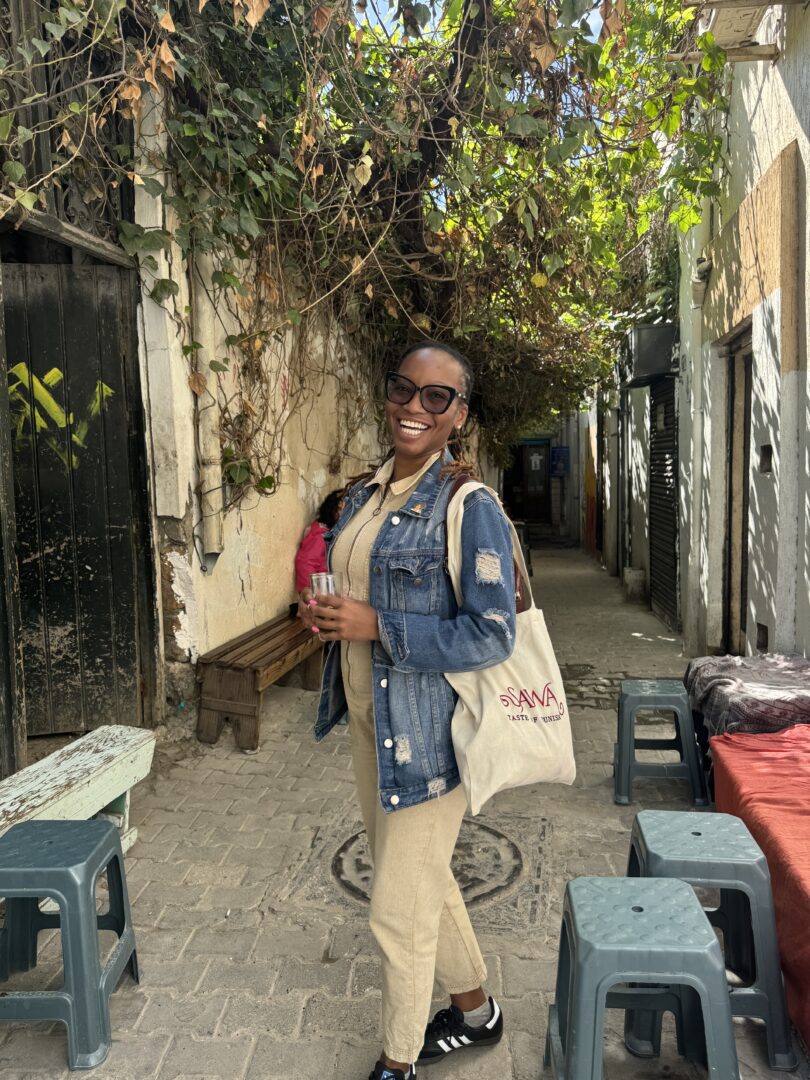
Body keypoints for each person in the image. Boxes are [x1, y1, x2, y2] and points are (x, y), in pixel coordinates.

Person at [304, 342, 516, 1080]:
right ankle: (477, 1011)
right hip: (370, 724)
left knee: (395, 909)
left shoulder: (468, 506)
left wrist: (378, 627)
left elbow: (491, 634)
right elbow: (350, 583)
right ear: (387, 392)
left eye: (438, 397)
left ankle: (397, 1063)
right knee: (424, 879)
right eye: (405, 389)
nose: (415, 407)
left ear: (459, 415)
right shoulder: (365, 492)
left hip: (431, 739)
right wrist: (329, 616)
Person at [295, 490, 343, 617]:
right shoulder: (320, 535)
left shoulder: (332, 533)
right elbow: (305, 562)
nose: (343, 513)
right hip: (319, 599)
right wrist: (308, 595)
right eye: (339, 509)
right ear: (330, 510)